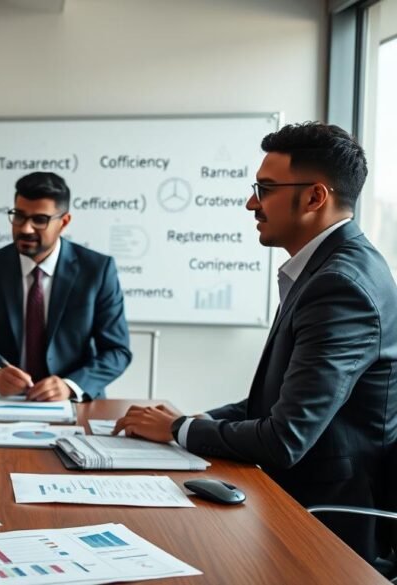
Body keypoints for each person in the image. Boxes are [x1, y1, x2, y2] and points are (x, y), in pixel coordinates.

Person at [113, 122, 397, 562]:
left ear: (315, 197)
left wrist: (178, 429)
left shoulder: (340, 286)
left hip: (328, 525)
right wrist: (188, 421)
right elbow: (276, 404)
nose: (251, 203)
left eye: (264, 189)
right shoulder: (328, 267)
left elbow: (285, 438)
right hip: (295, 499)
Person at [0, 171, 132, 402]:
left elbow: (117, 351)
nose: (25, 228)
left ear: (64, 222)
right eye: (19, 216)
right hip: (4, 402)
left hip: (74, 403)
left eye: (39, 219)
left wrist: (69, 385)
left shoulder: (97, 270)